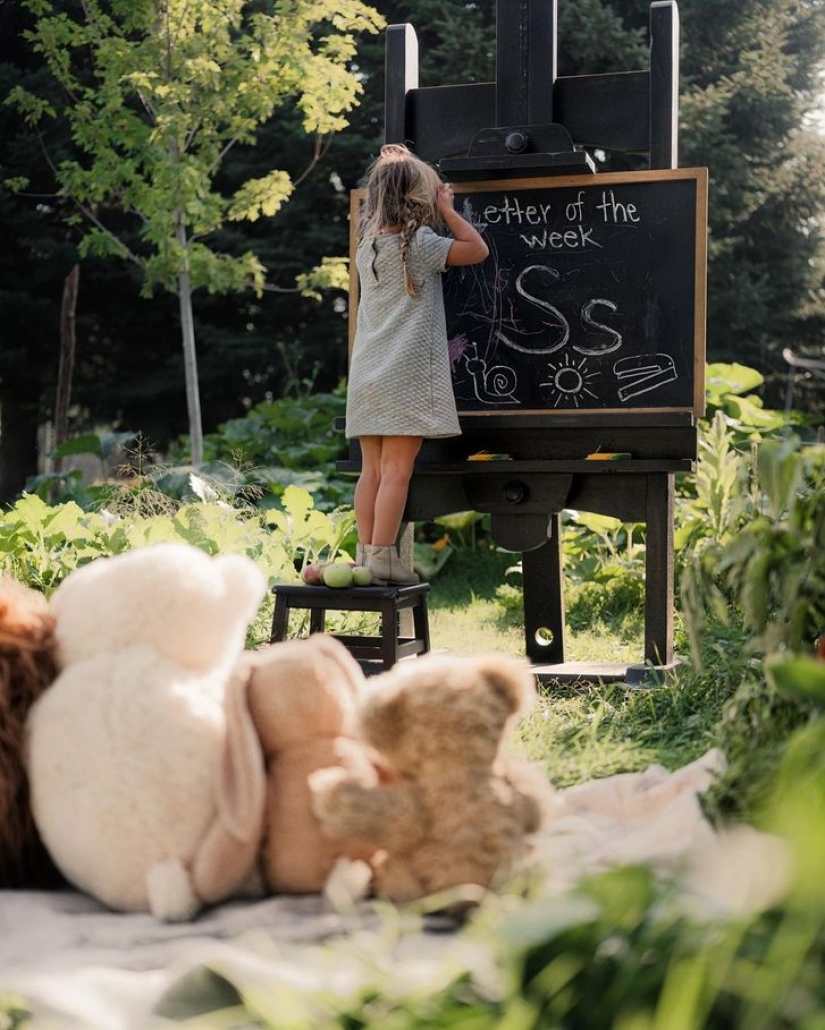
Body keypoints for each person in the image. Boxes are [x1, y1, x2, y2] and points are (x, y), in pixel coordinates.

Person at [345, 143, 489, 586]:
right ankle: (385, 557)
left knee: (370, 472)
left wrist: (399, 166)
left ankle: (366, 556)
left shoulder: (366, 247)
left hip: (367, 373)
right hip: (405, 374)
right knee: (397, 471)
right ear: (418, 200)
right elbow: (477, 249)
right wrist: (448, 209)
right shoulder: (420, 245)